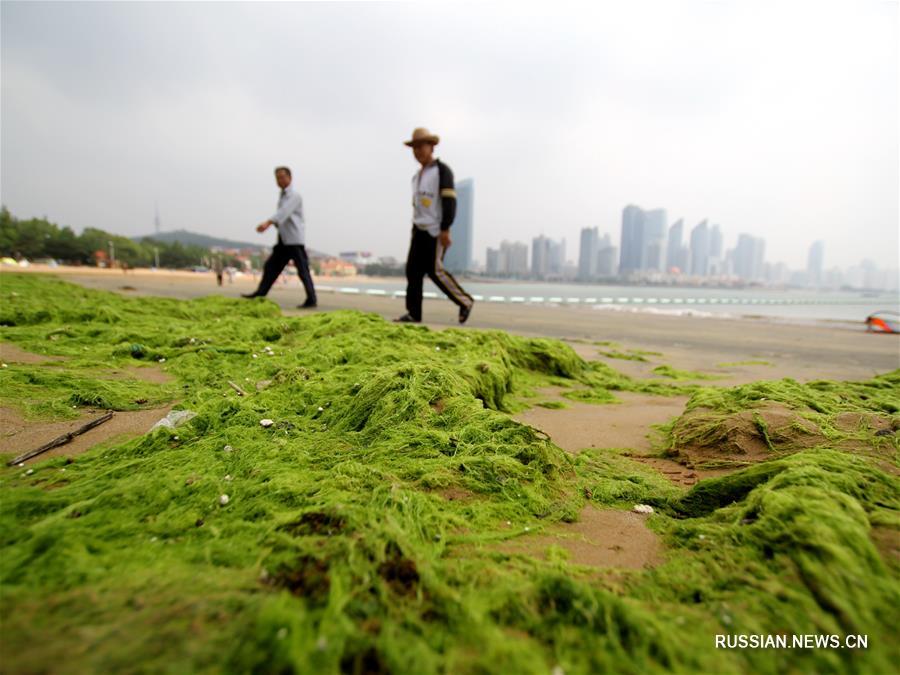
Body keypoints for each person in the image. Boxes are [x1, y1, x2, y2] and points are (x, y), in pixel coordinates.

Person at [394, 128, 474, 324]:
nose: (418, 151)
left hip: (435, 231)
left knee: (435, 271)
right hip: (418, 230)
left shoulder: (442, 171)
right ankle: (413, 313)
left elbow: (449, 201)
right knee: (412, 271)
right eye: (414, 147)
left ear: (431, 146)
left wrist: (446, 229)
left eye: (422, 146)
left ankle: (465, 301)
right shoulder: (416, 177)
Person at [242, 166, 317, 308]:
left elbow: (284, 212)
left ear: (290, 178)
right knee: (271, 267)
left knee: (302, 270)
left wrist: (268, 223)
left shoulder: (294, 196)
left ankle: (312, 299)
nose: (279, 180)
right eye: (277, 177)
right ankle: (260, 293)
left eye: (282, 177)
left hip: (294, 241)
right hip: (284, 240)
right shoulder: (282, 196)